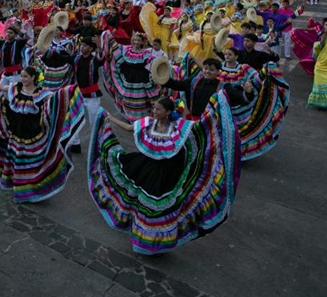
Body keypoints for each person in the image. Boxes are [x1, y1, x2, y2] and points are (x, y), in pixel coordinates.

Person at [88, 97, 239, 255]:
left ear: (167, 112)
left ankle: (152, 244)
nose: (154, 111)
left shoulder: (179, 127)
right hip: (146, 168)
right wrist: (108, 117)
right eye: (154, 108)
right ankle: (141, 238)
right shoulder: (148, 122)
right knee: (141, 202)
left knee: (157, 209)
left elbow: (201, 129)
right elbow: (128, 127)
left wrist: (217, 108)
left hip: (167, 174)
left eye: (158, 109)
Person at [0, 66, 85, 203]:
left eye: (25, 76)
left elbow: (56, 100)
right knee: (16, 158)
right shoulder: (15, 88)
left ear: (33, 78)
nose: (22, 79)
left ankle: (30, 188)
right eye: (21, 76)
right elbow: (1, 87)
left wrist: (70, 92)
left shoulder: (42, 93)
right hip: (15, 131)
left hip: (33, 135)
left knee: (30, 161)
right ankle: (19, 187)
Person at [100, 31, 160, 121]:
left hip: (142, 81)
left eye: (138, 40)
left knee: (142, 100)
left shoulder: (146, 53)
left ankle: (142, 120)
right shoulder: (126, 50)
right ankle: (132, 119)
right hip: (128, 82)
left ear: (142, 42)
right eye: (135, 40)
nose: (136, 42)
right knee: (128, 99)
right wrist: (108, 36)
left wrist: (160, 64)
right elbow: (115, 49)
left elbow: (152, 61)